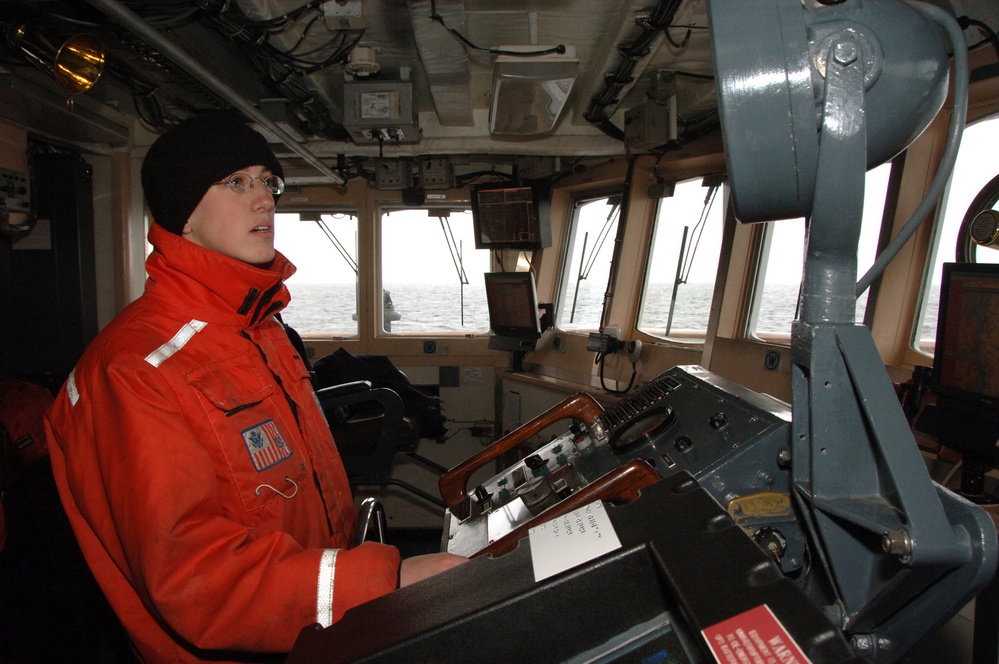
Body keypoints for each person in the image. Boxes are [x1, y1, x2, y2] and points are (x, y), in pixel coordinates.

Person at [44, 114, 466, 662]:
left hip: (314, 627)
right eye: (237, 182)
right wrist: (387, 582)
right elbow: (195, 582)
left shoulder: (258, 330)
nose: (265, 199)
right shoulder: (135, 370)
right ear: (182, 215)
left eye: (268, 181)